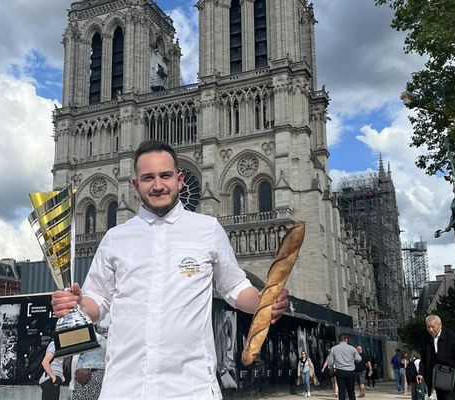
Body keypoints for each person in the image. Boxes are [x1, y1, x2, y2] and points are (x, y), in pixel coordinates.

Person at [51, 140, 290, 399]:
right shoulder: (114, 238)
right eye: (148, 178)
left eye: (165, 176)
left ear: (179, 179)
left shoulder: (208, 229)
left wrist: (263, 301)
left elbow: (235, 287)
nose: (157, 185)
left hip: (191, 388)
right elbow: (97, 301)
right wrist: (76, 305)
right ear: (135, 185)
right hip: (125, 388)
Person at [416, 315, 455, 400]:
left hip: (451, 376)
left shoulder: (452, 336)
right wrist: (421, 373)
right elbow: (424, 359)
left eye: (433, 327)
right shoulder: (425, 339)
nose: (431, 330)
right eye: (428, 327)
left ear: (440, 325)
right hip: (435, 377)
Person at [72, 327, 107, 400]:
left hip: (82, 375)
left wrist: (72, 382)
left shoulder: (83, 339)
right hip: (100, 375)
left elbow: (75, 359)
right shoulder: (103, 340)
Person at [327, 334, 361, 400]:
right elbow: (359, 359)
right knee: (351, 391)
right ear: (346, 339)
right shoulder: (352, 348)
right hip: (351, 371)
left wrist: (331, 368)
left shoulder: (334, 348)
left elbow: (330, 361)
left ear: (339, 340)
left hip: (340, 371)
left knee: (342, 391)